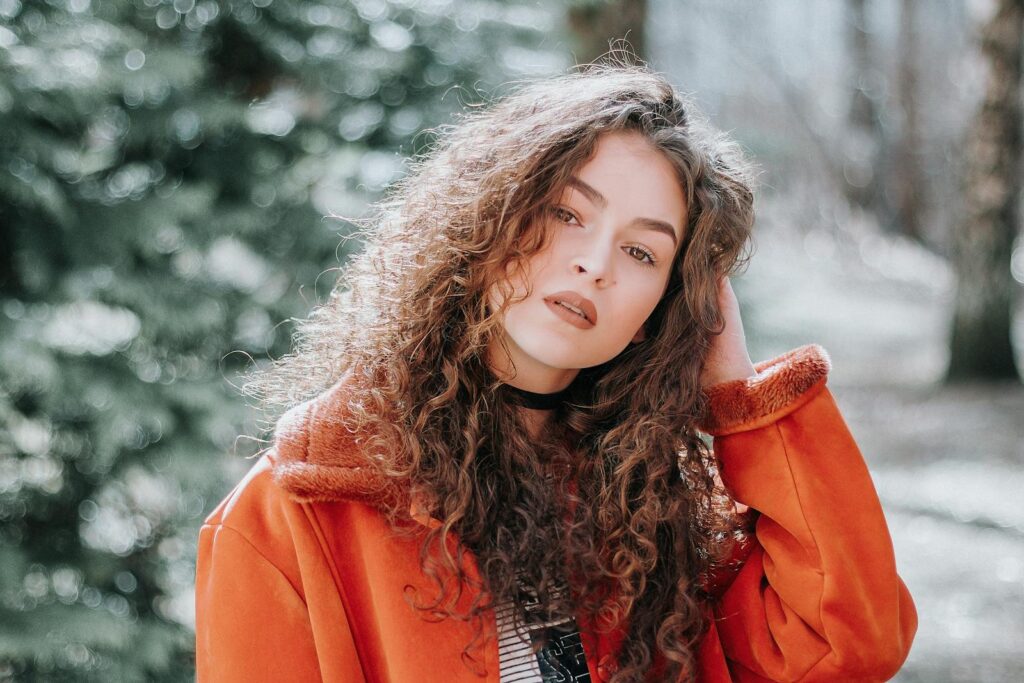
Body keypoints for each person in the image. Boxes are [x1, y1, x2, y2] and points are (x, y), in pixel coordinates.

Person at [194, 64, 917, 682]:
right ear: (489, 213)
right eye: (569, 213)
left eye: (642, 253)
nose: (595, 264)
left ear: (662, 311)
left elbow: (851, 642)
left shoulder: (652, 507)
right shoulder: (296, 512)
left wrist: (740, 399)